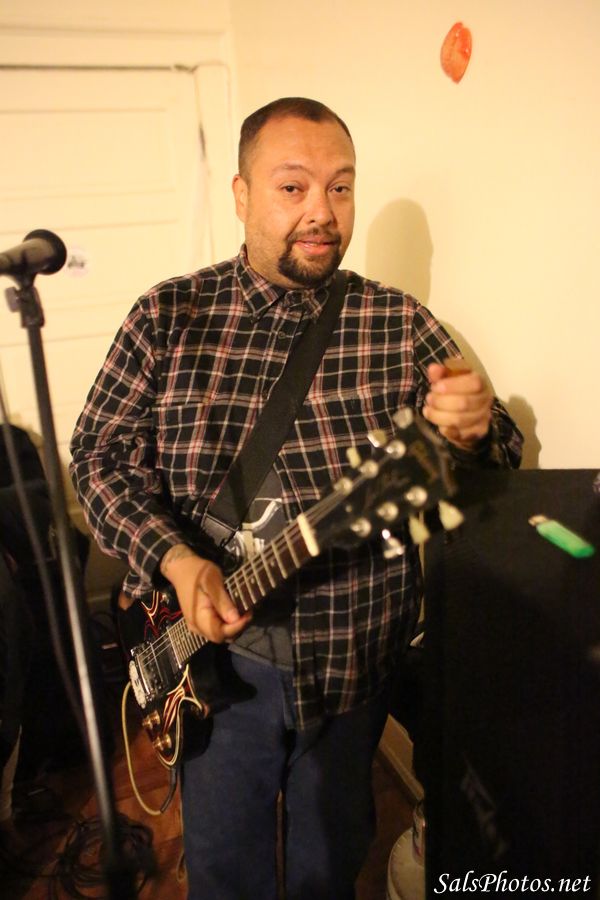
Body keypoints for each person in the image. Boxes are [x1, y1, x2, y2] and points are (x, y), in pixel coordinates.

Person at [70, 97, 522, 899]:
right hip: (212, 665)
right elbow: (99, 459)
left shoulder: (398, 323)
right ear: (241, 196)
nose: (322, 211)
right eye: (293, 187)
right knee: (224, 866)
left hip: (353, 658)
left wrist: (474, 429)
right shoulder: (168, 316)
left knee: (329, 859)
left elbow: (495, 465)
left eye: (341, 187)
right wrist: (174, 561)